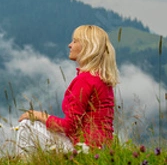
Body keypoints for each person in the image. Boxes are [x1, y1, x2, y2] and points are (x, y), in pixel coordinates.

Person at [16, 25, 119, 153]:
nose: (70, 45)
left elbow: (69, 127)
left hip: (83, 148)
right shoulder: (102, 79)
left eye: (75, 41)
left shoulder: (85, 80)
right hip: (100, 148)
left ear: (87, 47)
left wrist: (37, 115)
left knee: (26, 124)